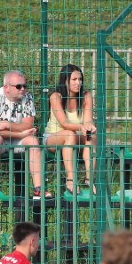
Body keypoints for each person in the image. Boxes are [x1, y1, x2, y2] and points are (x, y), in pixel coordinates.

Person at [0, 70, 52, 200]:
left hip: (15, 137)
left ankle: (38, 188)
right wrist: (21, 133)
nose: (23, 89)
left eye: (25, 86)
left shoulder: (28, 97)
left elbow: (28, 125)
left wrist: (6, 124)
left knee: (33, 141)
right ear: (6, 88)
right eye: (18, 86)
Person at [43, 64, 97, 194]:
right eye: (74, 80)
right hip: (53, 137)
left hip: (76, 136)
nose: (78, 83)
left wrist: (89, 126)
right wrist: (82, 127)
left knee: (92, 137)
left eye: (80, 79)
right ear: (65, 80)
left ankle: (89, 179)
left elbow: (88, 119)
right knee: (69, 134)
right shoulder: (56, 97)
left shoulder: (86, 96)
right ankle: (71, 179)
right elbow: (64, 123)